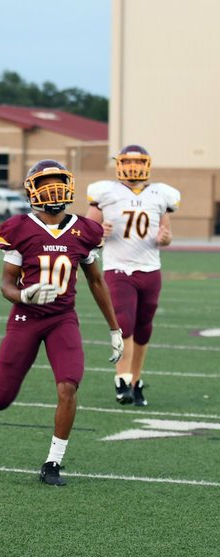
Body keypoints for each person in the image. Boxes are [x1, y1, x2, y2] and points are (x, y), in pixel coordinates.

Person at [0, 159, 123, 486]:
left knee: (68, 386)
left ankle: (53, 462)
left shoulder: (85, 230)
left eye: (57, 182)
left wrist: (115, 328)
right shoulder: (19, 228)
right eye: (44, 184)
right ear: (32, 191)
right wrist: (25, 296)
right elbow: (6, 285)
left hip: (62, 319)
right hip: (26, 318)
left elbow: (97, 282)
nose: (52, 189)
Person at [85, 145, 180, 407]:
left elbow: (166, 236)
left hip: (150, 269)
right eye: (129, 162)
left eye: (138, 162)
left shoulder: (160, 193)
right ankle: (122, 379)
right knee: (124, 322)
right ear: (119, 164)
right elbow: (86, 233)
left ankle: (136, 381)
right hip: (119, 269)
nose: (133, 167)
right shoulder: (107, 192)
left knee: (143, 328)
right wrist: (99, 232)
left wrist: (166, 238)